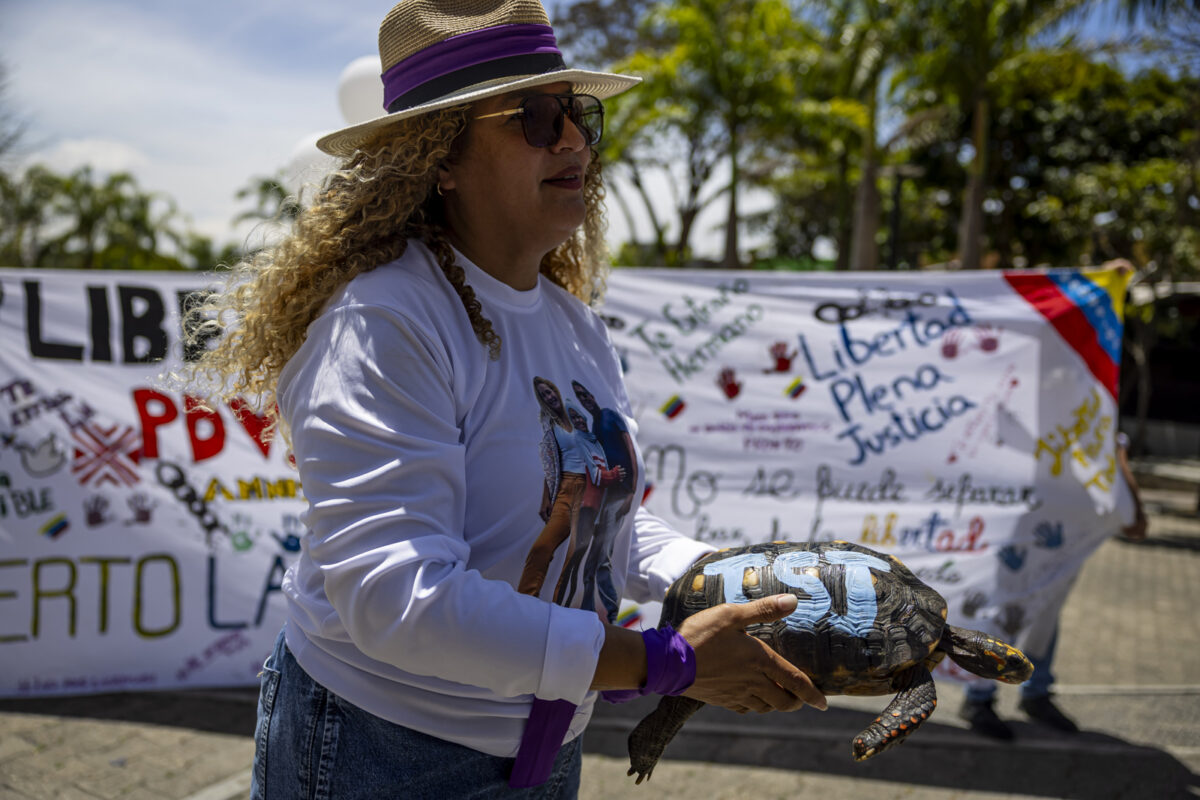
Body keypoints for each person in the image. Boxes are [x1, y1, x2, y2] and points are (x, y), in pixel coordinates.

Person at [184, 2, 826, 797]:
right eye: (535, 116)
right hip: (381, 754)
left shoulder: (573, 325)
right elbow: (397, 599)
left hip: (545, 749)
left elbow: (598, 518)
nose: (573, 140)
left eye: (577, 114)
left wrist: (735, 574)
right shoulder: (383, 320)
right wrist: (669, 662)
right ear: (438, 156)